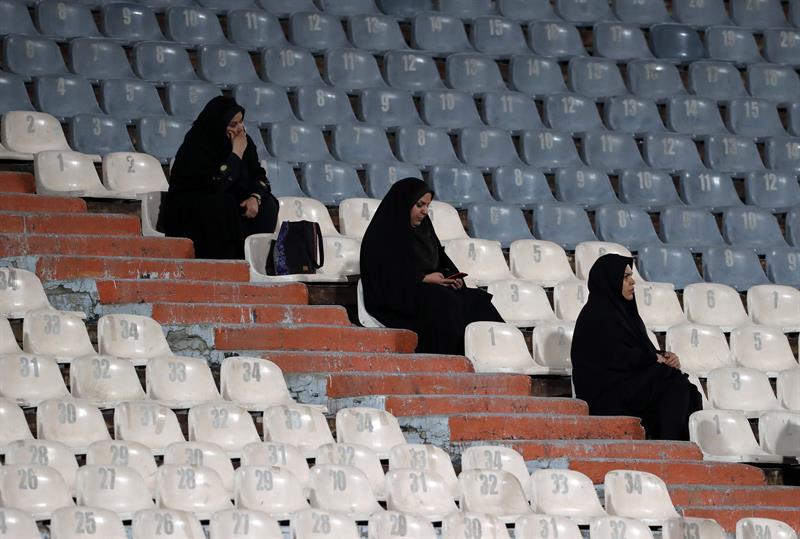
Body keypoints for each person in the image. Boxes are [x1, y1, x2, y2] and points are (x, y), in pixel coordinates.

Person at [360, 178, 504, 355]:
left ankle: (493, 356)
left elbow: (440, 261)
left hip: (429, 290)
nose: (424, 211)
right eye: (419, 205)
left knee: (478, 301)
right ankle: (451, 360)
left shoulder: (424, 229)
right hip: (397, 296)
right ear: (405, 203)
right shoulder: (382, 233)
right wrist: (422, 279)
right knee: (442, 300)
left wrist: (452, 278)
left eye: (427, 206)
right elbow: (383, 275)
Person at [570, 254, 702, 440]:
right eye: (625, 277)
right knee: (672, 383)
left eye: (631, 276)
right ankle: (665, 448)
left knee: (687, 389)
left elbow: (634, 349)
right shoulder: (596, 315)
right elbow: (614, 357)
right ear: (610, 280)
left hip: (626, 383)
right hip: (606, 392)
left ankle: (673, 449)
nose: (632, 282)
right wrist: (653, 358)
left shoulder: (625, 313)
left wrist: (663, 355)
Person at [161, 96, 278, 259]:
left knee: (268, 204)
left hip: (228, 203)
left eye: (241, 122)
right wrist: (236, 154)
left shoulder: (244, 141)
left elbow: (260, 176)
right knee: (222, 204)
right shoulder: (197, 143)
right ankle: (221, 260)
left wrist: (255, 197)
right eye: (233, 124)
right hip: (192, 207)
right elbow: (217, 184)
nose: (239, 129)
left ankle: (252, 261)